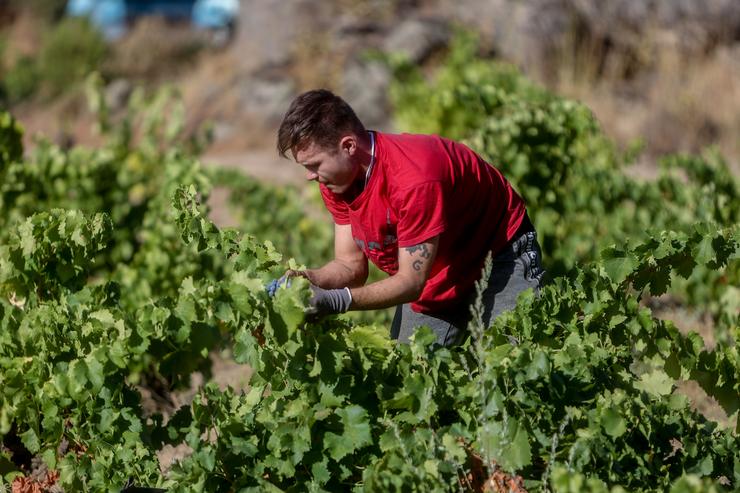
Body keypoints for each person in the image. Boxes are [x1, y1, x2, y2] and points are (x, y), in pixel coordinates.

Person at [269, 89, 544, 347]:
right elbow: (350, 265)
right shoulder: (338, 181)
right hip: (435, 273)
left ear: (349, 146)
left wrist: (337, 301)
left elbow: (410, 283)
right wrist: (307, 279)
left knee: (511, 365)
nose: (310, 175)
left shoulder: (414, 179)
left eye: (314, 165)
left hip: (498, 254)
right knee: (409, 376)